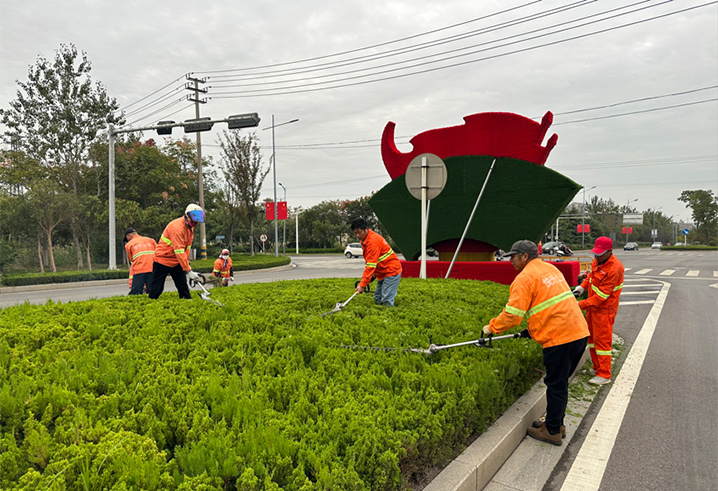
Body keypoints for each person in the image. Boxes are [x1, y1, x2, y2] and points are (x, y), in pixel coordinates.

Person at [482, 240, 589, 446]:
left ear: (524, 256)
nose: (510, 260)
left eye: (513, 256)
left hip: (560, 339)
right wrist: (532, 330)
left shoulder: (524, 278)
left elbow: (512, 316)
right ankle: (556, 423)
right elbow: (551, 305)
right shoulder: (550, 269)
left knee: (556, 386)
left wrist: (491, 328)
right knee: (560, 384)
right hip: (579, 332)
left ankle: (552, 431)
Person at [573, 236, 624, 385]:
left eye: (601, 254)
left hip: (604, 310)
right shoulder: (598, 261)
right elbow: (591, 276)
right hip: (593, 308)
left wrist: (580, 304)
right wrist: (581, 288)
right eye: (596, 253)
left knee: (602, 342)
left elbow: (601, 297)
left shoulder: (614, 269)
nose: (597, 256)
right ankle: (597, 367)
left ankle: (604, 374)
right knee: (592, 340)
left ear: (610, 251)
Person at [148, 204, 205, 300]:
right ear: (187, 216)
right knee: (157, 288)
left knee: (182, 286)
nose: (196, 221)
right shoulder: (177, 228)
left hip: (177, 261)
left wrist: (187, 264)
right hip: (163, 260)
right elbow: (179, 251)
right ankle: (151, 302)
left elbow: (186, 248)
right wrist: (188, 271)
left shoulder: (190, 227)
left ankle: (187, 301)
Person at [351, 217, 402, 306]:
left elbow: (370, 266)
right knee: (378, 297)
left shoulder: (372, 242)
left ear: (366, 229)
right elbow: (372, 260)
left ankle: (390, 312)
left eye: (359, 232)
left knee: (387, 299)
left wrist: (362, 285)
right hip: (382, 272)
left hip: (391, 271)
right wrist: (371, 276)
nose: (357, 235)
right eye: (355, 233)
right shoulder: (365, 240)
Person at [123, 227, 157, 295]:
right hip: (152, 268)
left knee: (136, 292)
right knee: (152, 292)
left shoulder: (129, 245)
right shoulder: (150, 240)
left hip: (139, 270)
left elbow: (132, 260)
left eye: (127, 238)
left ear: (129, 235)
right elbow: (158, 253)